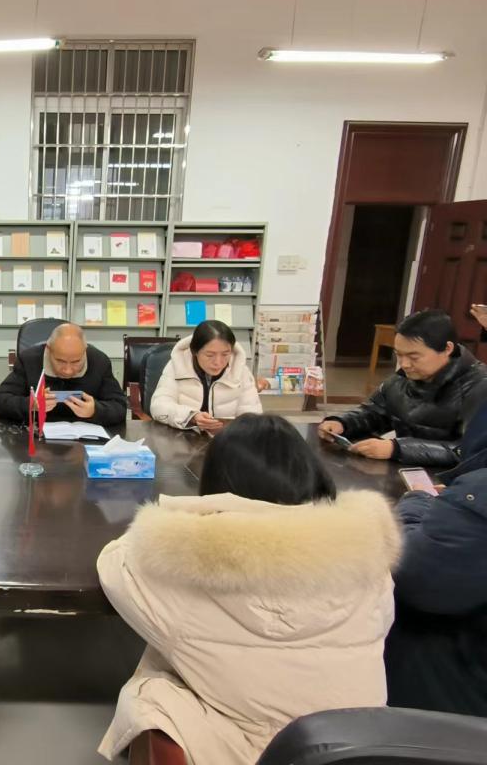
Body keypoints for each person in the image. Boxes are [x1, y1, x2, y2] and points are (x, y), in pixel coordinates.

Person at [97, 414, 400, 765]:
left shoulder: (188, 567)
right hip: (358, 748)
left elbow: (117, 563)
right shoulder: (367, 553)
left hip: (250, 750)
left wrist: (192, 514)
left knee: (150, 693)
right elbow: (383, 622)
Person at [384, 401, 487, 717]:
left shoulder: (477, 495)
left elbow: (414, 576)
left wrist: (416, 502)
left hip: (456, 701)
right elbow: (375, 410)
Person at [318, 309, 487, 466]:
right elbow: (374, 413)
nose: (404, 364)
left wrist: (397, 449)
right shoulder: (402, 379)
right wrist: (343, 423)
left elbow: (471, 450)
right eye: (399, 354)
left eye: (414, 357)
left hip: (455, 481)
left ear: (447, 349)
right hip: (406, 471)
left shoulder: (479, 386)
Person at [0, 323, 127, 426]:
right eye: (60, 361)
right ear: (48, 349)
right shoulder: (29, 360)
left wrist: (95, 410)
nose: (68, 370)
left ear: (84, 351)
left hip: (85, 439)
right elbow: (0, 401)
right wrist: (30, 404)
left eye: (76, 362)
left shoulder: (99, 361)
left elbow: (120, 407)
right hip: (38, 437)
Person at [149, 320, 263, 432]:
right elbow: (159, 406)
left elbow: (253, 414)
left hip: (227, 438)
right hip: (182, 436)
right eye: (210, 355)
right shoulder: (177, 364)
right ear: (195, 351)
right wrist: (191, 416)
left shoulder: (240, 369)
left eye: (225, 354)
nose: (218, 362)